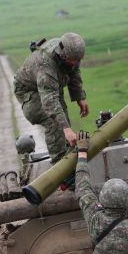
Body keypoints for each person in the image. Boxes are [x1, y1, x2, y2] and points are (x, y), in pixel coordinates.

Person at [13, 32, 89, 163]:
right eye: (72, 60)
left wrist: (79, 97)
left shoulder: (70, 54)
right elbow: (49, 101)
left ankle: (68, 152)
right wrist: (66, 129)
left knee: (63, 119)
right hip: (29, 92)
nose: (75, 63)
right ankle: (59, 162)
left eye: (77, 60)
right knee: (54, 121)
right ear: (63, 55)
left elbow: (74, 71)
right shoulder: (45, 66)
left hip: (50, 86)